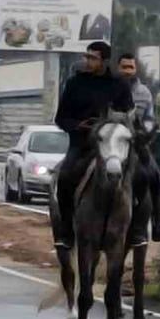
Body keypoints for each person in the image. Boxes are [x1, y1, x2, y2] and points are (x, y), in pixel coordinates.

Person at [52, 41, 133, 249]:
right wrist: (78, 126)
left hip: (113, 147)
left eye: (92, 58)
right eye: (86, 57)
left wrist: (112, 129)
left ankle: (142, 227)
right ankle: (66, 232)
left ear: (105, 61)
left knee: (145, 175)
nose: (87, 61)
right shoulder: (74, 83)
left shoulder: (119, 85)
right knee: (65, 176)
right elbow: (60, 118)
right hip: (82, 145)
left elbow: (128, 118)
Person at [117, 53, 160, 243]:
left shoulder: (144, 93)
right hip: (111, 142)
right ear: (118, 68)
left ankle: (158, 224)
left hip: (136, 142)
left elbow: (149, 118)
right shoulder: (107, 89)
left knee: (156, 175)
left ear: (135, 69)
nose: (127, 71)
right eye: (124, 67)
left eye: (130, 67)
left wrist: (146, 132)